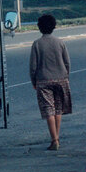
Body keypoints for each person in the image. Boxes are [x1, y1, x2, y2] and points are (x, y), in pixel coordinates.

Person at [29, 14, 71, 151]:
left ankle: (54, 140)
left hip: (44, 80)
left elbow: (33, 66)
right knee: (58, 109)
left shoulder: (37, 44)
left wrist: (34, 80)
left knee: (49, 110)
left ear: (39, 27)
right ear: (54, 26)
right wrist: (65, 76)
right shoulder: (60, 42)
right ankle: (56, 137)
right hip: (61, 79)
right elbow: (67, 62)